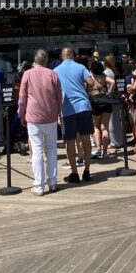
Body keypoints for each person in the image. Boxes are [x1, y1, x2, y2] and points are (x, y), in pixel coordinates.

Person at [18, 48, 63, 196]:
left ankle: (38, 186)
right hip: (50, 116)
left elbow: (22, 98)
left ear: (34, 60)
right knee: (51, 148)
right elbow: (59, 97)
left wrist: (21, 114)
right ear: (46, 60)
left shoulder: (27, 74)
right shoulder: (52, 74)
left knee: (37, 150)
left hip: (33, 116)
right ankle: (53, 182)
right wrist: (58, 113)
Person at [54, 47, 94, 183]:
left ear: (62, 56)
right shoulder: (80, 67)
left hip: (67, 109)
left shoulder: (56, 71)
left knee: (70, 141)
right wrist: (86, 92)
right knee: (86, 139)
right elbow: (91, 82)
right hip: (83, 105)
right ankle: (87, 171)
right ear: (73, 55)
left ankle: (74, 173)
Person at [86, 60, 114, 159]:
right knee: (105, 127)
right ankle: (105, 152)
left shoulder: (89, 78)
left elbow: (86, 90)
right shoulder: (104, 77)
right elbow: (113, 82)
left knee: (96, 127)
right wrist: (109, 93)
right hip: (106, 101)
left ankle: (98, 150)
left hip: (94, 101)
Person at [103, 54, 123, 155]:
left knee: (111, 122)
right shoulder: (116, 71)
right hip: (117, 99)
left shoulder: (105, 73)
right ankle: (119, 140)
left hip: (110, 99)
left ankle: (114, 142)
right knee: (117, 121)